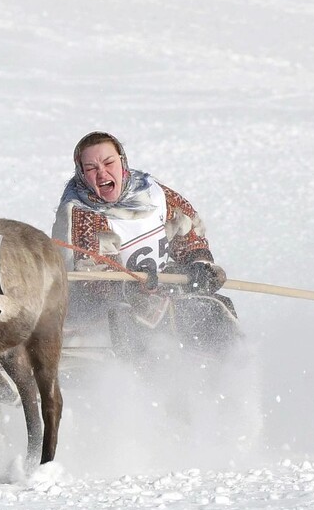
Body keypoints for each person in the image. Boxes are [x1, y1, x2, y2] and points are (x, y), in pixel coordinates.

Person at [52, 131, 239, 354]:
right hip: (103, 315)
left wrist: (198, 265)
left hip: (159, 290)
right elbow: (92, 277)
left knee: (213, 309)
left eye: (109, 163)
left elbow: (188, 232)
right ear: (82, 174)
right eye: (91, 168)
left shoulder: (151, 193)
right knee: (134, 319)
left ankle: (236, 365)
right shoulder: (82, 214)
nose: (102, 173)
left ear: (122, 162)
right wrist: (130, 284)